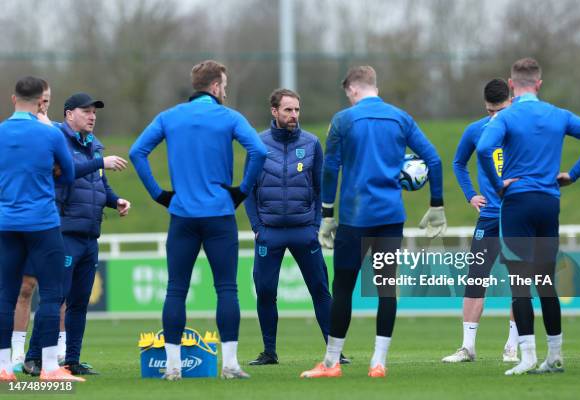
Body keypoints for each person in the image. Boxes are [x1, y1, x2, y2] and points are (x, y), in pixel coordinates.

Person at [300, 66, 446, 379]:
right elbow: (433, 159)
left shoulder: (344, 119)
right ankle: (378, 363)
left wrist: (326, 215)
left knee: (343, 288)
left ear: (352, 89)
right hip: (391, 217)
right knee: (386, 289)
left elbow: (330, 170)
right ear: (373, 86)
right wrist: (437, 205)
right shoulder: (401, 118)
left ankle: (331, 363)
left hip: (355, 217)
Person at [130, 60, 267, 380]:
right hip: (220, 214)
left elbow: (137, 152)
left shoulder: (169, 116)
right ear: (217, 86)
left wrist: (159, 194)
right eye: (225, 85)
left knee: (175, 289)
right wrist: (242, 191)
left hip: (182, 215)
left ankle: (173, 367)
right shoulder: (229, 117)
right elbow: (259, 151)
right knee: (227, 289)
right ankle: (230, 365)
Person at [477, 58, 580, 375]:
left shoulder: (505, 117)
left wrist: (498, 185)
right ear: (539, 84)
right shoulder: (558, 115)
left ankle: (527, 357)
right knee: (546, 281)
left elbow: (483, 149)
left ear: (511, 84)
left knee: (520, 282)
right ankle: (555, 355)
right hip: (549, 201)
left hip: (517, 204)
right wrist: (572, 175)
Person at [23, 93, 130, 377]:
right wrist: (99, 163)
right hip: (64, 231)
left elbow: (100, 186)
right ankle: (33, 358)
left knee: (80, 302)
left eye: (94, 112)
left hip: (89, 234)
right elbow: (63, 175)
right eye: (86, 111)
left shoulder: (94, 146)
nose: (92, 116)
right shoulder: (56, 141)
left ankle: (71, 359)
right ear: (69, 114)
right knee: (55, 297)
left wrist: (116, 200)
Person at [245, 88, 348, 366]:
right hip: (269, 232)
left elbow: (320, 187)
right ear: (274, 111)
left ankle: (334, 350)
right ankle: (269, 352)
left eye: (297, 110)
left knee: (320, 289)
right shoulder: (257, 143)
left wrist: (315, 224)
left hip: (304, 231)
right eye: (288, 110)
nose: (293, 115)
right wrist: (257, 227)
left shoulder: (312, 143)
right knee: (266, 291)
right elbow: (248, 189)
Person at [0, 76, 80, 382]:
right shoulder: (50, 134)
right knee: (50, 294)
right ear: (40, 102)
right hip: (43, 223)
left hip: (6, 223)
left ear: (13, 99)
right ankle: (49, 368)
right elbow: (69, 174)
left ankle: (4, 367)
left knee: (5, 294)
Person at [443, 78, 519, 363]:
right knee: (475, 280)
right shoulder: (476, 130)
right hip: (488, 218)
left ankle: (512, 346)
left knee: (520, 282)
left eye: (499, 110)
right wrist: (471, 195)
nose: (495, 117)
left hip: (517, 217)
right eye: (489, 112)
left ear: (511, 101)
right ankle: (468, 347)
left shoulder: (523, 130)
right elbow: (458, 163)